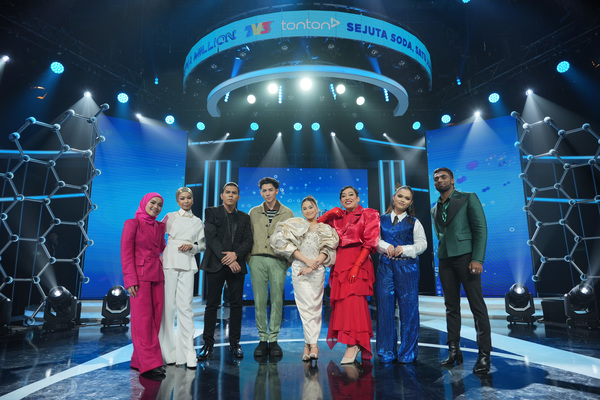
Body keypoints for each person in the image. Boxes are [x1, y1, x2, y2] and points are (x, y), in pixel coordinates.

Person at [431, 167, 491, 374]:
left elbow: (480, 229)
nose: (439, 180)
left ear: (453, 180)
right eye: (436, 179)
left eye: (443, 177)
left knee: (477, 306)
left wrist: (477, 258)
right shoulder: (434, 208)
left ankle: (484, 354)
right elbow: (441, 234)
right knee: (451, 307)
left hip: (467, 258)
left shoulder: (468, 197)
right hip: (445, 260)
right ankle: (454, 350)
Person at [270, 195, 339, 361]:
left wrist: (313, 265)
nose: (308, 210)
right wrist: (306, 263)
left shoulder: (325, 228)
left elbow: (327, 250)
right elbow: (285, 245)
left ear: (316, 208)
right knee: (304, 308)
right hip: (300, 269)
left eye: (311, 207)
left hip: (316, 270)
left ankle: (310, 345)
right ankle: (311, 344)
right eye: (305, 208)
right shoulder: (296, 226)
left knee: (315, 307)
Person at [318, 186, 380, 364]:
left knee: (355, 304)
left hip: (358, 263)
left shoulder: (369, 214)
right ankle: (352, 343)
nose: (347, 198)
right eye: (343, 196)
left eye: (350, 194)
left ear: (358, 198)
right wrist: (329, 214)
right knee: (343, 306)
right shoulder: (337, 218)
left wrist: (356, 267)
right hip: (339, 265)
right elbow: (316, 229)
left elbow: (370, 243)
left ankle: (355, 344)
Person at [197, 182, 253, 360]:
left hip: (237, 264)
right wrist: (228, 259)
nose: (230, 195)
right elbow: (211, 239)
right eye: (227, 192)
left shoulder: (244, 217)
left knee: (236, 305)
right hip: (216, 264)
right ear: (221, 195)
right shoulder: (211, 212)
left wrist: (236, 254)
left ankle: (235, 343)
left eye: (234, 193)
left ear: (238, 197)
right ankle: (207, 344)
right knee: (212, 305)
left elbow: (248, 241)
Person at [376, 185, 427, 364]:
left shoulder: (414, 222)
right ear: (394, 197)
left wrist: (404, 249)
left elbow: (422, 245)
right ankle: (386, 351)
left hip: (408, 269)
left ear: (411, 202)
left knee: (409, 310)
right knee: (385, 309)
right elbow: (375, 240)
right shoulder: (380, 220)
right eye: (400, 196)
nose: (402, 200)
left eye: (407, 198)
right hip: (386, 268)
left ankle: (408, 353)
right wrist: (384, 246)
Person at [121, 192, 167, 380]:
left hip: (157, 276)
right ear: (144, 203)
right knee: (142, 322)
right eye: (153, 203)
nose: (156, 207)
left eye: (159, 205)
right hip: (139, 279)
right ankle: (150, 364)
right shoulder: (132, 223)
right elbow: (126, 253)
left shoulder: (159, 227)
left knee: (155, 320)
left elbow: (163, 248)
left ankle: (138, 360)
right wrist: (129, 279)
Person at [159, 187, 205, 369]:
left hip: (187, 262)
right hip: (169, 261)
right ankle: (167, 352)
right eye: (182, 198)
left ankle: (188, 352)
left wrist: (192, 247)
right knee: (168, 307)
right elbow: (157, 238)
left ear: (193, 200)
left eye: (189, 198)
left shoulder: (197, 221)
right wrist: (161, 254)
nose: (186, 201)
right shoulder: (169, 217)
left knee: (186, 308)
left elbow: (202, 246)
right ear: (178, 200)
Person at [248, 177, 294, 358]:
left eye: (270, 190)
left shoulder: (288, 213)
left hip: (278, 261)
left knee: (277, 300)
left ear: (277, 191)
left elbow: (292, 239)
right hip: (257, 259)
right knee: (259, 300)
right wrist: (250, 259)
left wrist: (286, 261)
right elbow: (248, 237)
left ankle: (273, 339)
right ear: (261, 192)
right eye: (264, 190)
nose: (267, 193)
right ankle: (262, 339)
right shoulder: (253, 212)